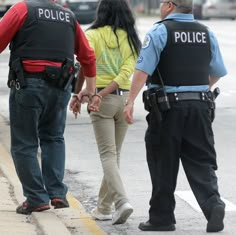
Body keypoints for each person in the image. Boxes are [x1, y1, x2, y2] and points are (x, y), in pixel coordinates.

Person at [124, 0, 227, 232]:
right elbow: (217, 72)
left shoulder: (161, 31)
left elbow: (143, 70)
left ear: (169, 5)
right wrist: (196, 91)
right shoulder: (206, 33)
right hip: (200, 107)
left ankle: (162, 218)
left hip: (167, 111)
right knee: (201, 160)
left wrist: (130, 101)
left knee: (163, 161)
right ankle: (213, 204)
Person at [0, 0, 96, 215]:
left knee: (25, 143)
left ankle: (36, 198)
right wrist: (90, 90)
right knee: (53, 138)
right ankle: (56, 193)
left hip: (28, 85)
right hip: (60, 88)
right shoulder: (68, 16)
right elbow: (87, 56)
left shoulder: (23, 9)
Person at [70, 0, 141, 225]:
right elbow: (126, 71)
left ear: (101, 11)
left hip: (101, 100)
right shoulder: (129, 38)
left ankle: (121, 202)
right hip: (124, 100)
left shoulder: (92, 35)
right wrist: (83, 92)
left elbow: (84, 64)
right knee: (114, 156)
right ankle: (103, 207)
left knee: (108, 155)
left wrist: (86, 93)